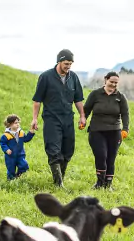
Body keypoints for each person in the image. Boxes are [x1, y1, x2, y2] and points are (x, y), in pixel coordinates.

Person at [31, 49, 86, 187]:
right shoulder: (46, 77)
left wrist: (82, 115)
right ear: (59, 62)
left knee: (68, 150)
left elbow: (78, 99)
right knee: (53, 149)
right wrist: (35, 118)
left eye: (70, 64)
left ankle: (61, 178)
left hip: (68, 118)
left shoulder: (73, 77)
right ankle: (58, 183)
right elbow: (37, 100)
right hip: (51, 118)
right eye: (66, 63)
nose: (68, 66)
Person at [83, 71, 129, 190]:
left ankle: (108, 185)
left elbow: (125, 114)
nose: (113, 84)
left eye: (116, 83)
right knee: (101, 155)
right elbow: (86, 109)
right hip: (97, 131)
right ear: (105, 80)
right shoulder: (95, 94)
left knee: (111, 158)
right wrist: (83, 120)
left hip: (114, 132)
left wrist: (125, 129)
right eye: (111, 82)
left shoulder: (120, 97)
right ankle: (99, 183)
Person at [0, 114, 35, 181]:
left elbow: (26, 139)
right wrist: (6, 149)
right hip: (10, 156)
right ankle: (10, 180)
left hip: (20, 154)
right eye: (15, 123)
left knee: (24, 165)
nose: (18, 124)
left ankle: (18, 176)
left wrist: (31, 131)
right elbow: (2, 143)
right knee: (11, 169)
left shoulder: (21, 132)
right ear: (10, 124)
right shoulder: (6, 135)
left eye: (18, 122)